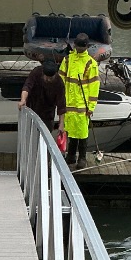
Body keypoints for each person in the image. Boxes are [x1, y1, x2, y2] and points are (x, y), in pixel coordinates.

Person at [59, 32, 99, 169]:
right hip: (68, 103)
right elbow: (61, 80)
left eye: (82, 47)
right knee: (70, 131)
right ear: (75, 45)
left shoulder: (90, 63)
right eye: (78, 47)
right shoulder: (67, 60)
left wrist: (91, 106)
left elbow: (94, 87)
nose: (80, 49)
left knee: (82, 132)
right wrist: (60, 100)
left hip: (83, 105)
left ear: (86, 47)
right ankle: (71, 156)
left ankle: (82, 158)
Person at [17, 59, 66, 133]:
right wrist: (23, 100)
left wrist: (61, 124)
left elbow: (61, 105)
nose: (49, 80)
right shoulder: (36, 72)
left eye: (51, 78)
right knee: (30, 133)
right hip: (32, 108)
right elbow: (27, 86)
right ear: (43, 73)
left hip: (47, 114)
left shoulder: (59, 83)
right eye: (47, 77)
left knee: (45, 135)